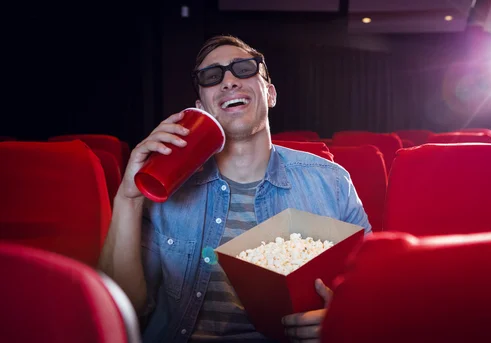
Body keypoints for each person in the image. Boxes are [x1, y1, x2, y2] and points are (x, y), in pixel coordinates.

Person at [98, 35, 371, 343]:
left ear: (270, 94)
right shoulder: (167, 191)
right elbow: (121, 307)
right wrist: (128, 197)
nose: (228, 81)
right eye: (211, 76)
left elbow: (371, 296)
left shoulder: (331, 182)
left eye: (243, 69)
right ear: (201, 108)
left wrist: (341, 318)